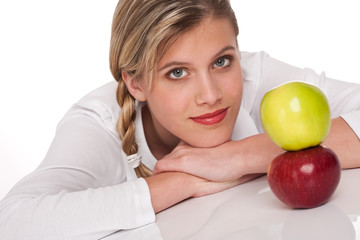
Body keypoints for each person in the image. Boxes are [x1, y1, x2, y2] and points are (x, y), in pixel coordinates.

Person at [0, 0, 359, 239]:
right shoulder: (99, 121)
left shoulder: (254, 76)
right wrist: (184, 183)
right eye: (177, 73)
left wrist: (239, 156)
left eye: (222, 61)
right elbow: (14, 220)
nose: (211, 95)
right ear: (135, 82)